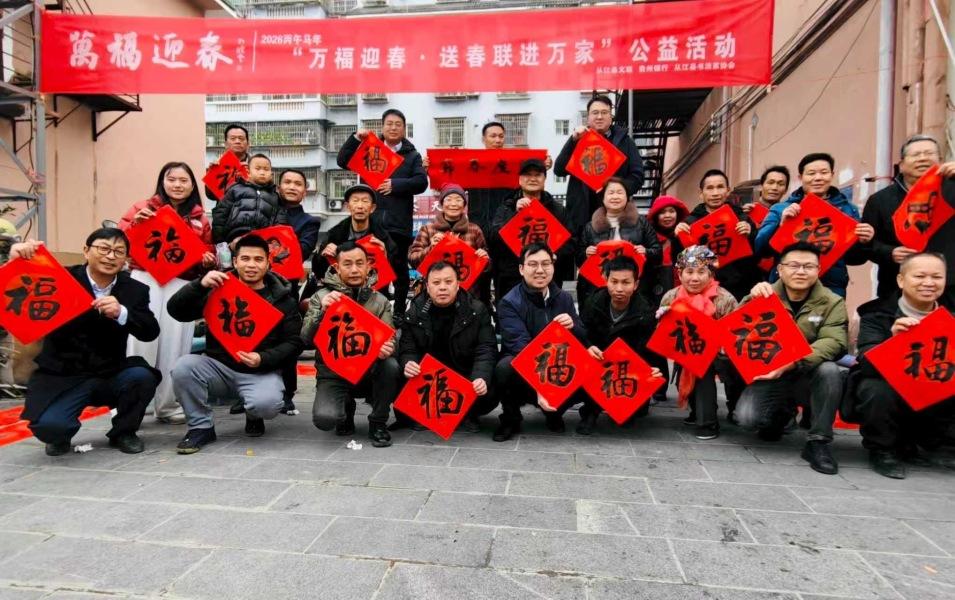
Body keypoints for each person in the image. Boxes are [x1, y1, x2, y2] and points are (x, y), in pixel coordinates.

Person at [14, 231, 160, 456]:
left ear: (126, 259)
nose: (110, 256)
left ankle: (124, 432)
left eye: (118, 251)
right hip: (63, 374)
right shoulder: (60, 278)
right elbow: (18, 288)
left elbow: (150, 331)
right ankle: (60, 435)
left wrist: (122, 313)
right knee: (49, 426)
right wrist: (17, 260)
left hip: (109, 372)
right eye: (104, 248)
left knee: (142, 376)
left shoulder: (135, 289)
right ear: (86, 251)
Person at [168, 235, 304, 454]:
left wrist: (263, 358)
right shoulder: (217, 287)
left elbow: (294, 343)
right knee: (183, 368)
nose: (251, 265)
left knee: (267, 404)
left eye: (258, 259)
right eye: (245, 259)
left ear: (268, 263)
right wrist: (198, 285)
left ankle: (253, 413)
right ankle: (200, 427)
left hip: (260, 371)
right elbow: (176, 311)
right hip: (218, 368)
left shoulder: (283, 299)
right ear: (235, 261)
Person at [736, 242, 848, 475]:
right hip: (771, 376)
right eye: (794, 265)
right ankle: (782, 414)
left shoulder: (832, 302)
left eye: (809, 266)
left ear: (818, 270)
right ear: (780, 269)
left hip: (808, 374)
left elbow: (834, 342)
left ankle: (818, 442)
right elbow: (736, 332)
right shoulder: (762, 294)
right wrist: (750, 301)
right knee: (747, 419)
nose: (801, 271)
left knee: (830, 370)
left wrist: (794, 361)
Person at [118, 161, 216, 425]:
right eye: (172, 179)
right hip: (145, 278)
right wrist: (135, 225)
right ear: (162, 182)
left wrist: (207, 259)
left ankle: (168, 405)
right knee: (139, 342)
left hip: (180, 282)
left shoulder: (200, 219)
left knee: (176, 344)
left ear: (193, 186)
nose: (177, 185)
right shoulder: (142, 209)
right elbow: (119, 241)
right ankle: (129, 404)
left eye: (184, 180)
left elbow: (208, 251)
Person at [848, 252, 954, 479]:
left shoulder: (950, 316)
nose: (929, 283)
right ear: (901, 280)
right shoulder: (875, 314)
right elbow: (866, 364)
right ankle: (882, 450)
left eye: (937, 277)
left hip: (934, 385)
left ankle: (937, 444)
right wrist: (894, 342)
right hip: (890, 385)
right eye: (920, 276)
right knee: (875, 388)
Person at [301, 241, 399, 448]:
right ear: (337, 267)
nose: (354, 269)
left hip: (368, 370)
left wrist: (388, 347)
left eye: (359, 263)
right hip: (333, 373)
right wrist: (322, 312)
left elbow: (390, 338)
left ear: (368, 266)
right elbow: (306, 339)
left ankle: (378, 422)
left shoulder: (380, 300)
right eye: (347, 264)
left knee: (391, 366)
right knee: (325, 419)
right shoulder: (321, 297)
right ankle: (346, 409)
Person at [492, 243, 593, 441]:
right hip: (526, 371)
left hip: (558, 366)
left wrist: (573, 326)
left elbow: (583, 337)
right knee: (505, 367)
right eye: (533, 264)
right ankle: (511, 417)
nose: (540, 270)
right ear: (521, 269)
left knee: (592, 360)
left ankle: (556, 412)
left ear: (553, 266)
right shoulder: (509, 302)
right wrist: (542, 388)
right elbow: (521, 348)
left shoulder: (563, 298)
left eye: (546, 264)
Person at [337, 108, 428, 321]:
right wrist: (355, 138)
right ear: (382, 126)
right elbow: (342, 160)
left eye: (398, 124)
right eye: (389, 123)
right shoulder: (370, 149)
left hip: (399, 224)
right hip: (371, 223)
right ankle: (376, 313)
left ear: (404, 129)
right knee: (374, 270)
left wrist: (395, 184)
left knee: (399, 271)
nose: (393, 128)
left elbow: (421, 182)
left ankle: (398, 314)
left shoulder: (412, 155)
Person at [754, 153, 875, 298]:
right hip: (786, 287)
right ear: (800, 177)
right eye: (811, 173)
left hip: (830, 288)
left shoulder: (848, 210)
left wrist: (864, 242)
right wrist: (781, 227)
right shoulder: (781, 209)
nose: (818, 178)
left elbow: (855, 259)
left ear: (832, 175)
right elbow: (760, 249)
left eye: (824, 172)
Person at [399, 261, 498, 433]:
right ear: (427, 287)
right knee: (396, 369)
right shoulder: (415, 311)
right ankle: (421, 413)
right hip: (428, 381)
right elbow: (408, 348)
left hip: (464, 375)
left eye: (448, 282)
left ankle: (469, 413)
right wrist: (408, 362)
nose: (443, 287)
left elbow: (486, 348)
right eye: (436, 283)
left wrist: (480, 377)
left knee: (493, 381)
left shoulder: (476, 309)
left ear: (458, 285)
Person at [657, 246, 742, 440]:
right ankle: (699, 412)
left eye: (701, 272)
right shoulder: (671, 297)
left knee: (705, 364)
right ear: (680, 274)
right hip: (688, 354)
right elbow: (664, 336)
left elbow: (736, 335)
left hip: (723, 356)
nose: (694, 278)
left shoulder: (725, 299)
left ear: (711, 274)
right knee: (695, 362)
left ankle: (711, 420)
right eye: (689, 272)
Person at [861, 134, 955, 303]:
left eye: (929, 153)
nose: (923, 158)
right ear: (902, 165)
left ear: (941, 160)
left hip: (950, 287)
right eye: (916, 154)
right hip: (897, 290)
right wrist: (889, 252)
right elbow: (866, 244)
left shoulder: (953, 189)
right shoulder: (880, 200)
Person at [581, 256, 663, 432]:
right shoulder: (593, 303)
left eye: (626, 282)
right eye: (614, 281)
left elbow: (648, 350)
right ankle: (590, 411)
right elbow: (583, 335)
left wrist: (651, 369)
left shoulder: (646, 312)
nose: (619, 288)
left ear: (636, 284)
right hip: (599, 363)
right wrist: (588, 347)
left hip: (628, 370)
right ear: (606, 280)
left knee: (632, 417)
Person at [554, 95, 645, 236]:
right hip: (581, 214)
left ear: (611, 116)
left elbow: (637, 176)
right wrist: (572, 141)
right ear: (588, 117)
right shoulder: (578, 140)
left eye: (604, 112)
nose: (599, 117)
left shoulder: (625, 142)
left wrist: (616, 189)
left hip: (615, 215)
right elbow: (559, 170)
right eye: (595, 113)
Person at [489, 159, 575, 300]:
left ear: (544, 179)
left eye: (537, 175)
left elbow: (570, 243)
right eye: (528, 175)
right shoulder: (506, 208)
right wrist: (515, 215)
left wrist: (553, 255)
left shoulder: (557, 210)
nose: (533, 179)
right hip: (512, 279)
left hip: (547, 279)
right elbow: (493, 239)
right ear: (520, 180)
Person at [275, 168, 321, 414]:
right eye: (287, 182)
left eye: (298, 183)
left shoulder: (309, 222)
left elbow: (301, 251)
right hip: (253, 286)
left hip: (285, 289)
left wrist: (271, 242)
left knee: (288, 340)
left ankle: (287, 393)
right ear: (278, 187)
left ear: (305, 191)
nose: (292, 187)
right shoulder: (266, 213)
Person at [675, 169, 759, 301]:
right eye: (710, 188)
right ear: (701, 193)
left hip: (739, 288)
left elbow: (757, 254)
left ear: (728, 190)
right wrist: (677, 237)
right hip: (702, 290)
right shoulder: (690, 223)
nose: (715, 193)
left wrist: (751, 233)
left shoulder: (742, 218)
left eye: (720, 187)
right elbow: (679, 259)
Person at [577, 176, 660, 307]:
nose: (615, 196)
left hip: (634, 289)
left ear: (627, 197)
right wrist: (585, 253)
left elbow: (657, 251)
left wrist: (646, 251)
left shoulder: (641, 223)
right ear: (603, 198)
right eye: (611, 193)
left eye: (620, 192)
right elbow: (578, 258)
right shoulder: (590, 226)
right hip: (599, 289)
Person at [408, 183, 490, 304]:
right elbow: (413, 260)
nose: (453, 204)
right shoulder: (428, 229)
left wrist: (484, 259)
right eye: (449, 199)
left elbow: (487, 266)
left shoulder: (474, 230)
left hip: (468, 295)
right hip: (435, 296)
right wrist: (431, 248)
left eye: (458, 200)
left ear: (464, 205)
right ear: (441, 204)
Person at [646, 194, 690, 403]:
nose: (667, 216)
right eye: (662, 212)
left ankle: (686, 385)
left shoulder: (686, 233)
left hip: (684, 292)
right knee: (656, 339)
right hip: (655, 292)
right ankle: (660, 385)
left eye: (671, 211)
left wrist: (683, 238)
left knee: (685, 338)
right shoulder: (649, 236)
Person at [310, 183, 396, 285]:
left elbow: (394, 275)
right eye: (355, 201)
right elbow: (318, 271)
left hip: (372, 290)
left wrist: (385, 257)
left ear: (372, 208)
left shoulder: (383, 238)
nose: (360, 206)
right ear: (348, 206)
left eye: (365, 201)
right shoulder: (333, 236)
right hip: (339, 290)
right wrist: (322, 256)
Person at [211, 153, 288, 247]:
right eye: (258, 168)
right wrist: (220, 242)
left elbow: (280, 221)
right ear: (248, 172)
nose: (262, 172)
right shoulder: (235, 189)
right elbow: (220, 214)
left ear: (271, 174)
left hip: (263, 240)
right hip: (235, 237)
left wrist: (276, 240)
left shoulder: (274, 196)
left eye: (266, 169)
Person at [205, 123, 251, 202]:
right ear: (226, 144)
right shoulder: (219, 164)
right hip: (226, 209)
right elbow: (211, 196)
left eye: (241, 138)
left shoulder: (256, 165)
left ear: (248, 144)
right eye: (233, 138)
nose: (237, 141)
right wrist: (212, 174)